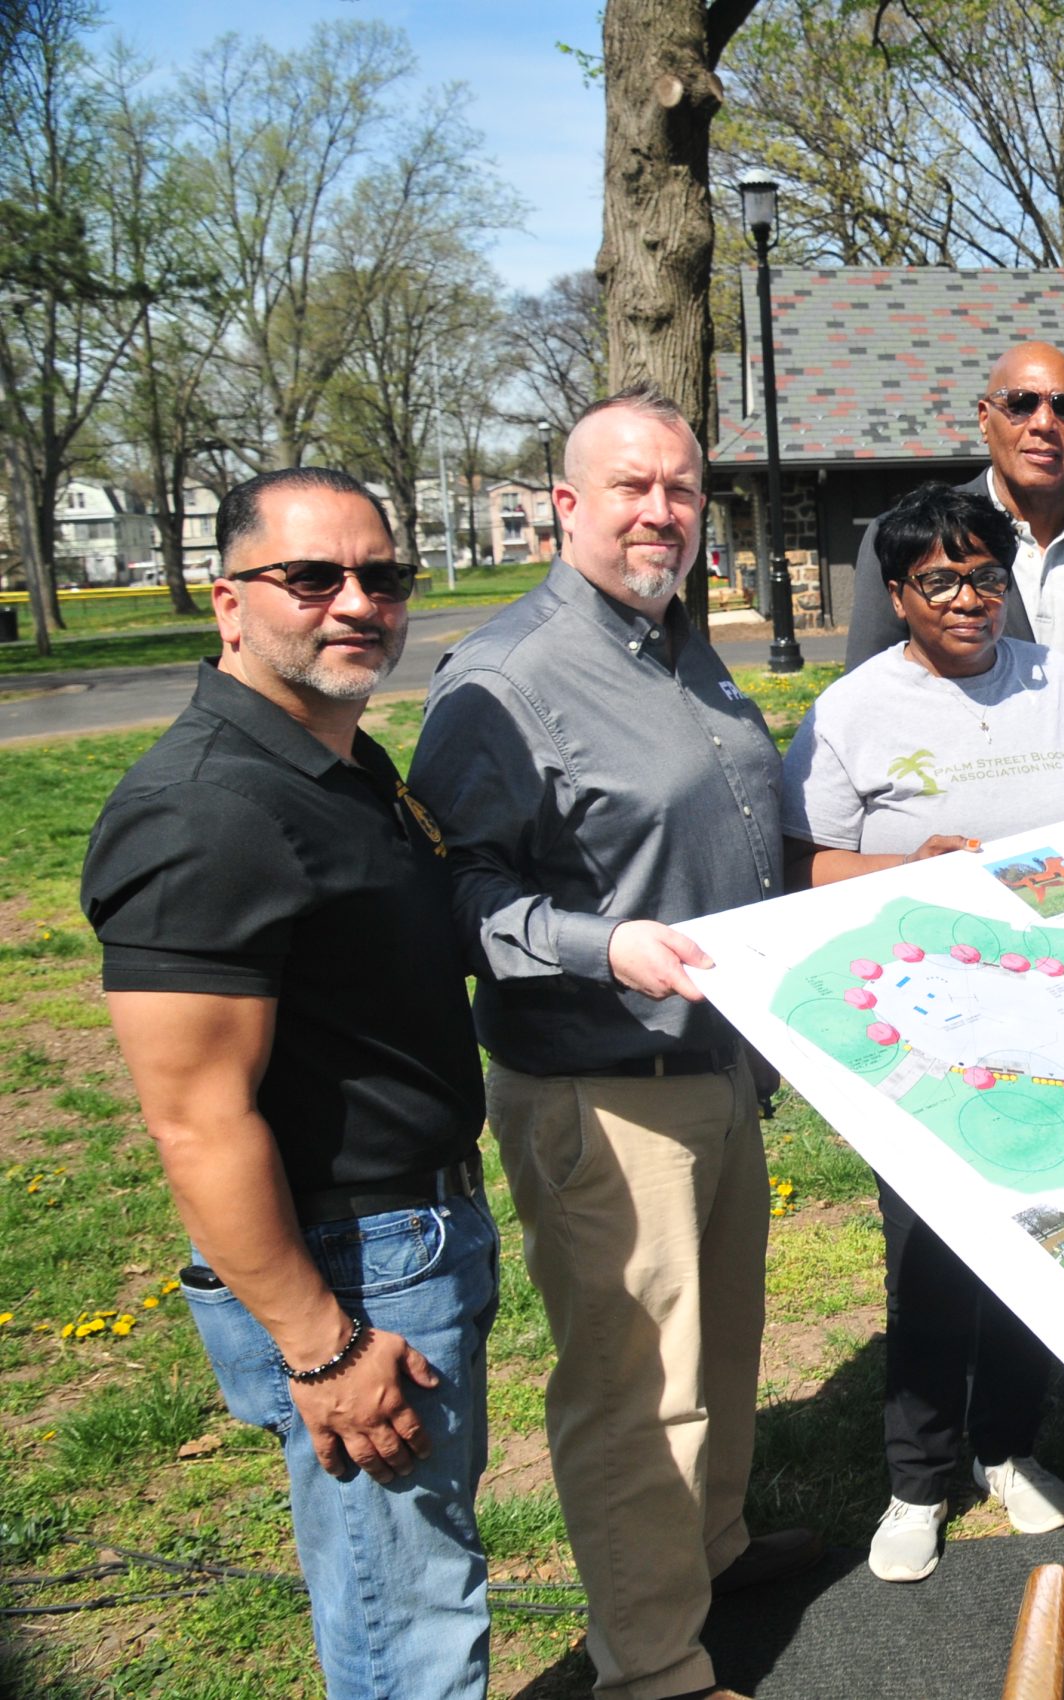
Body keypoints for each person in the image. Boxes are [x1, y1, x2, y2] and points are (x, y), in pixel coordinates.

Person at [408, 385, 815, 1700]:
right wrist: (603, 943)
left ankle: (708, 1551)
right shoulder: (506, 681)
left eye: (682, 487)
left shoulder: (682, 643)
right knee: (641, 1394)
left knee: (721, 1349)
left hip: (711, 1070)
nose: (662, 509)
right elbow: (454, 898)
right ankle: (651, 1665)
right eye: (631, 487)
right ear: (565, 506)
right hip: (602, 1088)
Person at [82, 468, 496, 1699]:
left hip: (412, 1229)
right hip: (348, 1263)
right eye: (311, 577)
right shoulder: (206, 808)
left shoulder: (341, 754)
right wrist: (322, 1347)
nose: (356, 601)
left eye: (384, 575)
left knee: (422, 1567)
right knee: (407, 1604)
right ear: (229, 601)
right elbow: (195, 1117)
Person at [783, 483, 1064, 1582]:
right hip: (921, 1028)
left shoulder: (1056, 683)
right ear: (897, 593)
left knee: (1035, 1227)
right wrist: (907, 870)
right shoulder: (852, 709)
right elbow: (805, 862)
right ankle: (917, 1479)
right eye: (940, 580)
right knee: (927, 1254)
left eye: (985, 574)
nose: (968, 598)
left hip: (1061, 1016)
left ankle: (1010, 1445)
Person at [841, 340, 1064, 799]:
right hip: (960, 822)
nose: (1044, 424)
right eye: (1020, 404)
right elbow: (870, 694)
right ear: (984, 418)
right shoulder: (910, 541)